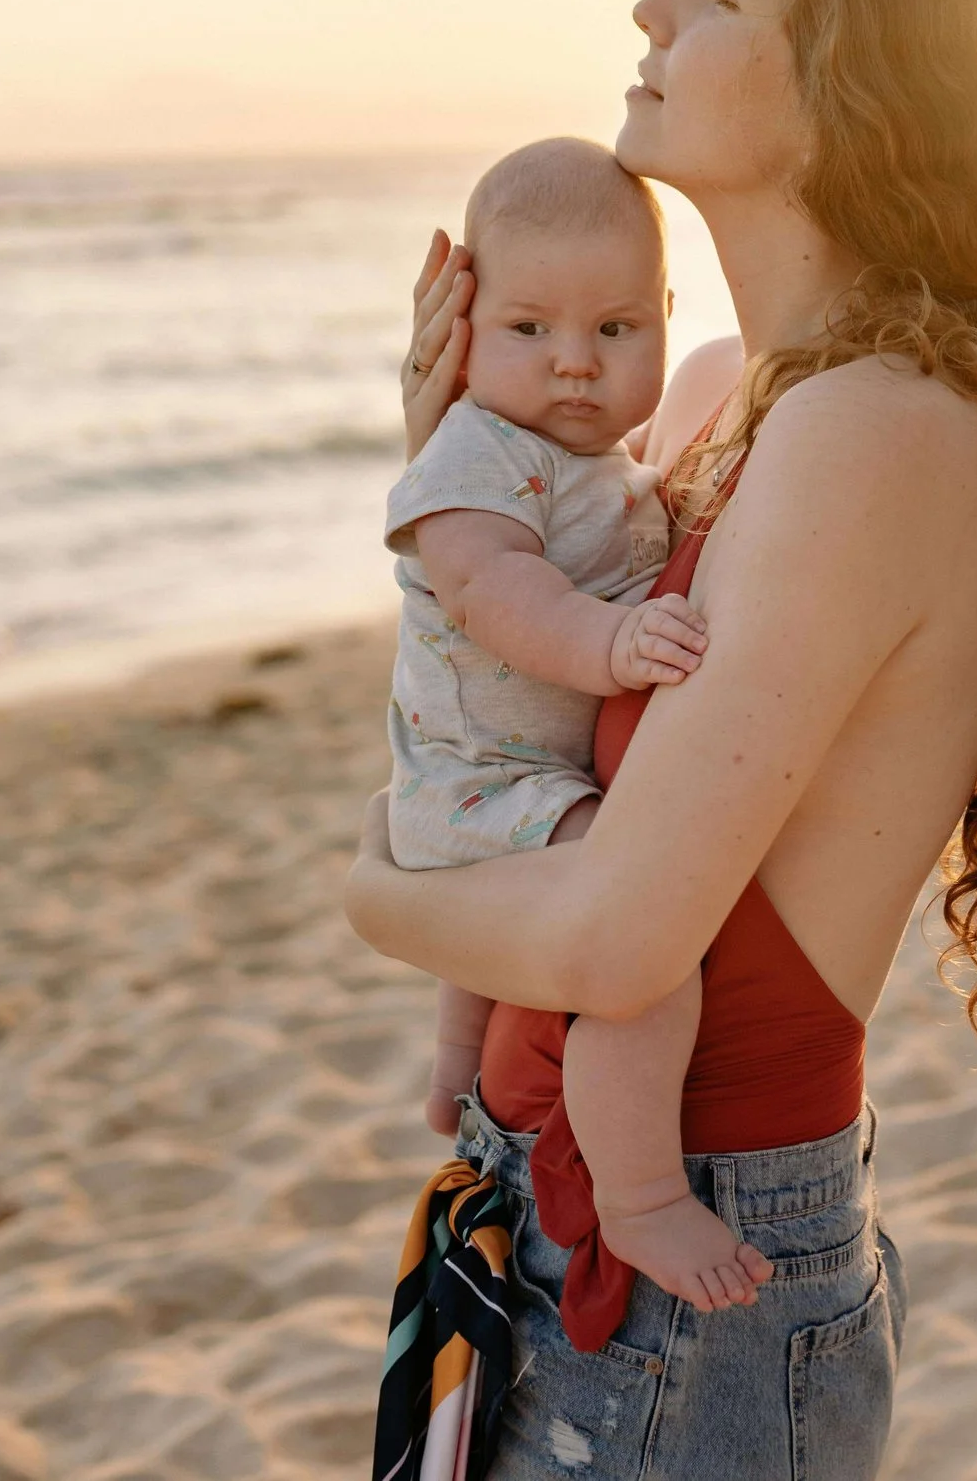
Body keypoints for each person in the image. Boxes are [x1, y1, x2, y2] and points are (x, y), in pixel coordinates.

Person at [351, 0, 977, 1479]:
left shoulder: (879, 437)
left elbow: (619, 930)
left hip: (688, 1273)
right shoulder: (711, 394)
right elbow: (503, 729)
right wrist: (460, 484)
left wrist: (368, 886)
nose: (650, 7)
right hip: (530, 1207)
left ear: (848, 95)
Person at [384, 135, 770, 1311]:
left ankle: (456, 1075)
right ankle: (640, 1193)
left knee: (518, 941)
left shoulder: (604, 463)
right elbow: (494, 591)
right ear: (461, 334)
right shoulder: (473, 456)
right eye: (528, 329)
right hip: (480, 783)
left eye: (613, 331)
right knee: (641, 953)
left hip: (513, 775)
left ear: (665, 317)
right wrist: (604, 648)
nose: (571, 365)